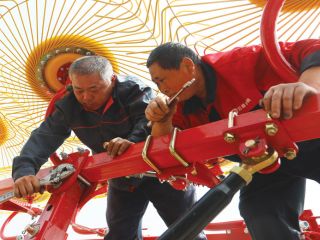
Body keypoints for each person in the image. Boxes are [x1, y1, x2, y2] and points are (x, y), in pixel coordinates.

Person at [144, 41, 320, 239]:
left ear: (188, 66)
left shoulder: (239, 63)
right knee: (261, 215)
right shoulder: (180, 107)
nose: (161, 89)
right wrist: (161, 120)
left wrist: (308, 85)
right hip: (265, 165)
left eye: (161, 80)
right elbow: (165, 151)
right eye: (157, 84)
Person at [12, 55, 207, 240]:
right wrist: (24, 172)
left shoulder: (135, 90)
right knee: (119, 235)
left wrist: (131, 142)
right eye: (79, 90)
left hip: (162, 172)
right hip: (122, 178)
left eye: (94, 89)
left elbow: (148, 120)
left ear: (112, 80)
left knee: (189, 228)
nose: (86, 97)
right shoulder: (68, 106)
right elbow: (43, 137)